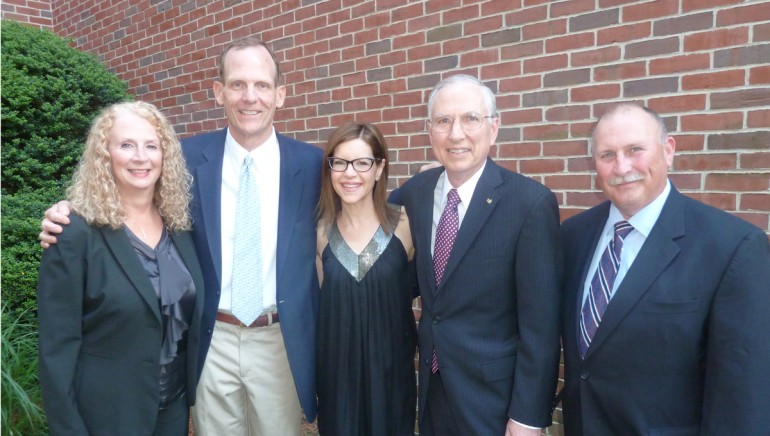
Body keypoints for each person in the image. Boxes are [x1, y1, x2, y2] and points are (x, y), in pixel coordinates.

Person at [38, 37, 321, 435]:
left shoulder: (313, 165)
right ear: (218, 91)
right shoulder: (183, 158)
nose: (249, 97)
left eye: (261, 85)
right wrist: (65, 210)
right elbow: (122, 184)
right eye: (237, 84)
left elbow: (362, 205)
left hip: (277, 339)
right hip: (210, 340)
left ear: (281, 95)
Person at [559, 103, 770, 435]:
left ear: (668, 150)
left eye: (635, 150)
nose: (622, 166)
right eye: (607, 155)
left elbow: (743, 393)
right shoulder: (572, 236)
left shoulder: (733, 248)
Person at [393, 74, 563, 435]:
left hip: (494, 400)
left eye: (470, 118)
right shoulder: (416, 193)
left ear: (494, 128)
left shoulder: (530, 203)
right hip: (433, 388)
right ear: (430, 130)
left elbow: (541, 326)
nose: (456, 134)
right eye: (443, 121)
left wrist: (528, 416)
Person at [37, 101, 205, 435]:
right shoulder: (74, 231)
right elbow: (57, 348)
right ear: (105, 155)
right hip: (106, 413)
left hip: (172, 408)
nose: (140, 157)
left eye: (151, 146)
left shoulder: (180, 225)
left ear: (164, 156)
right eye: (126, 145)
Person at [315, 121, 417, 435]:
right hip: (338, 378)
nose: (350, 173)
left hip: (392, 374)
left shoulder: (405, 224)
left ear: (379, 168)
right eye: (340, 163)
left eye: (362, 163)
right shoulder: (320, 233)